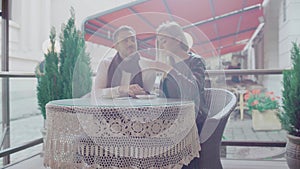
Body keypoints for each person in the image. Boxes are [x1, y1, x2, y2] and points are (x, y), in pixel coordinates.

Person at [154, 21, 208, 169]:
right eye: (159, 42)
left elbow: (194, 89)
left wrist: (170, 70)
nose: (161, 45)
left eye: (164, 40)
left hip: (193, 118)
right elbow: (166, 96)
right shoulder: (169, 63)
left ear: (177, 39)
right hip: (173, 118)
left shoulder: (195, 61)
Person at [93, 25, 155, 98]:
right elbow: (96, 93)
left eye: (133, 40)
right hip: (109, 108)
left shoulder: (148, 68)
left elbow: (147, 96)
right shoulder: (106, 64)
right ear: (116, 46)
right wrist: (120, 89)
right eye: (125, 40)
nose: (130, 44)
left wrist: (143, 93)